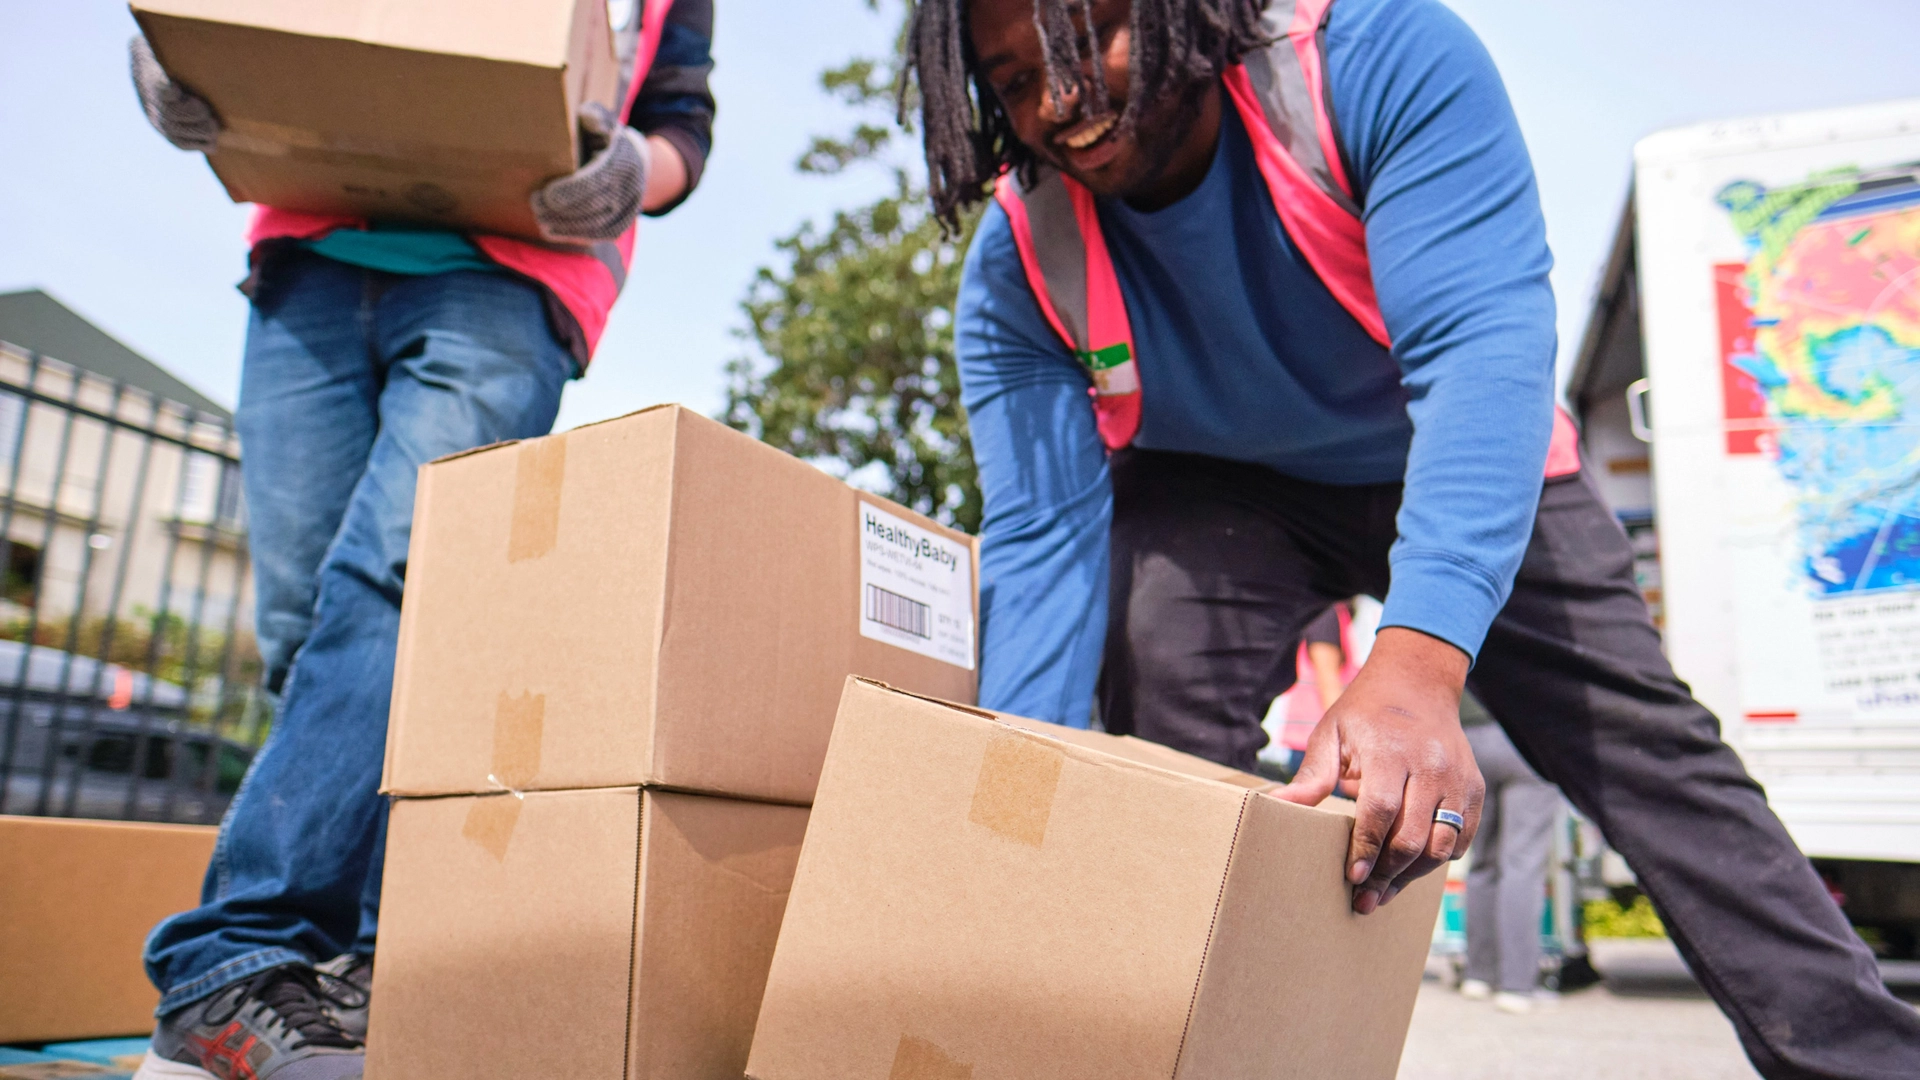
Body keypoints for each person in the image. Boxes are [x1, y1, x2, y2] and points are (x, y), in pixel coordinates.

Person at [903, 0, 1920, 1074]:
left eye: (1089, 38)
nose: (1059, 102)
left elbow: (1483, 351)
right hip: (1225, 492)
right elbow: (1041, 547)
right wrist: (1004, 828)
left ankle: (1864, 1060)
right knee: (1152, 663)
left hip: (1452, 441)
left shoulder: (1377, 60)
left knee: (1646, 748)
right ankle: (1189, 1048)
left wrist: (1421, 658)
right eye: (1012, 80)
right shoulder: (1021, 264)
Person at [125, 2, 714, 1076]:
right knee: (308, 634)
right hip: (312, 251)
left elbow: (682, 118)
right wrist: (177, 60)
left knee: (397, 587)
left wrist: (638, 164)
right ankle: (356, 973)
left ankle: (241, 957)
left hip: (509, 277)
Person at [1456, 692, 1559, 1014]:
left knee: (1481, 862)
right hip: (1527, 736)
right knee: (1522, 865)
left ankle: (1478, 976)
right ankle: (1516, 986)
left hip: (1470, 737)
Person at [1268, 602, 1356, 780]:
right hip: (1320, 744)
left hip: (1315, 741)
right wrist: (1349, 745)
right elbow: (1328, 681)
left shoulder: (1334, 614)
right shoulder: (1327, 614)